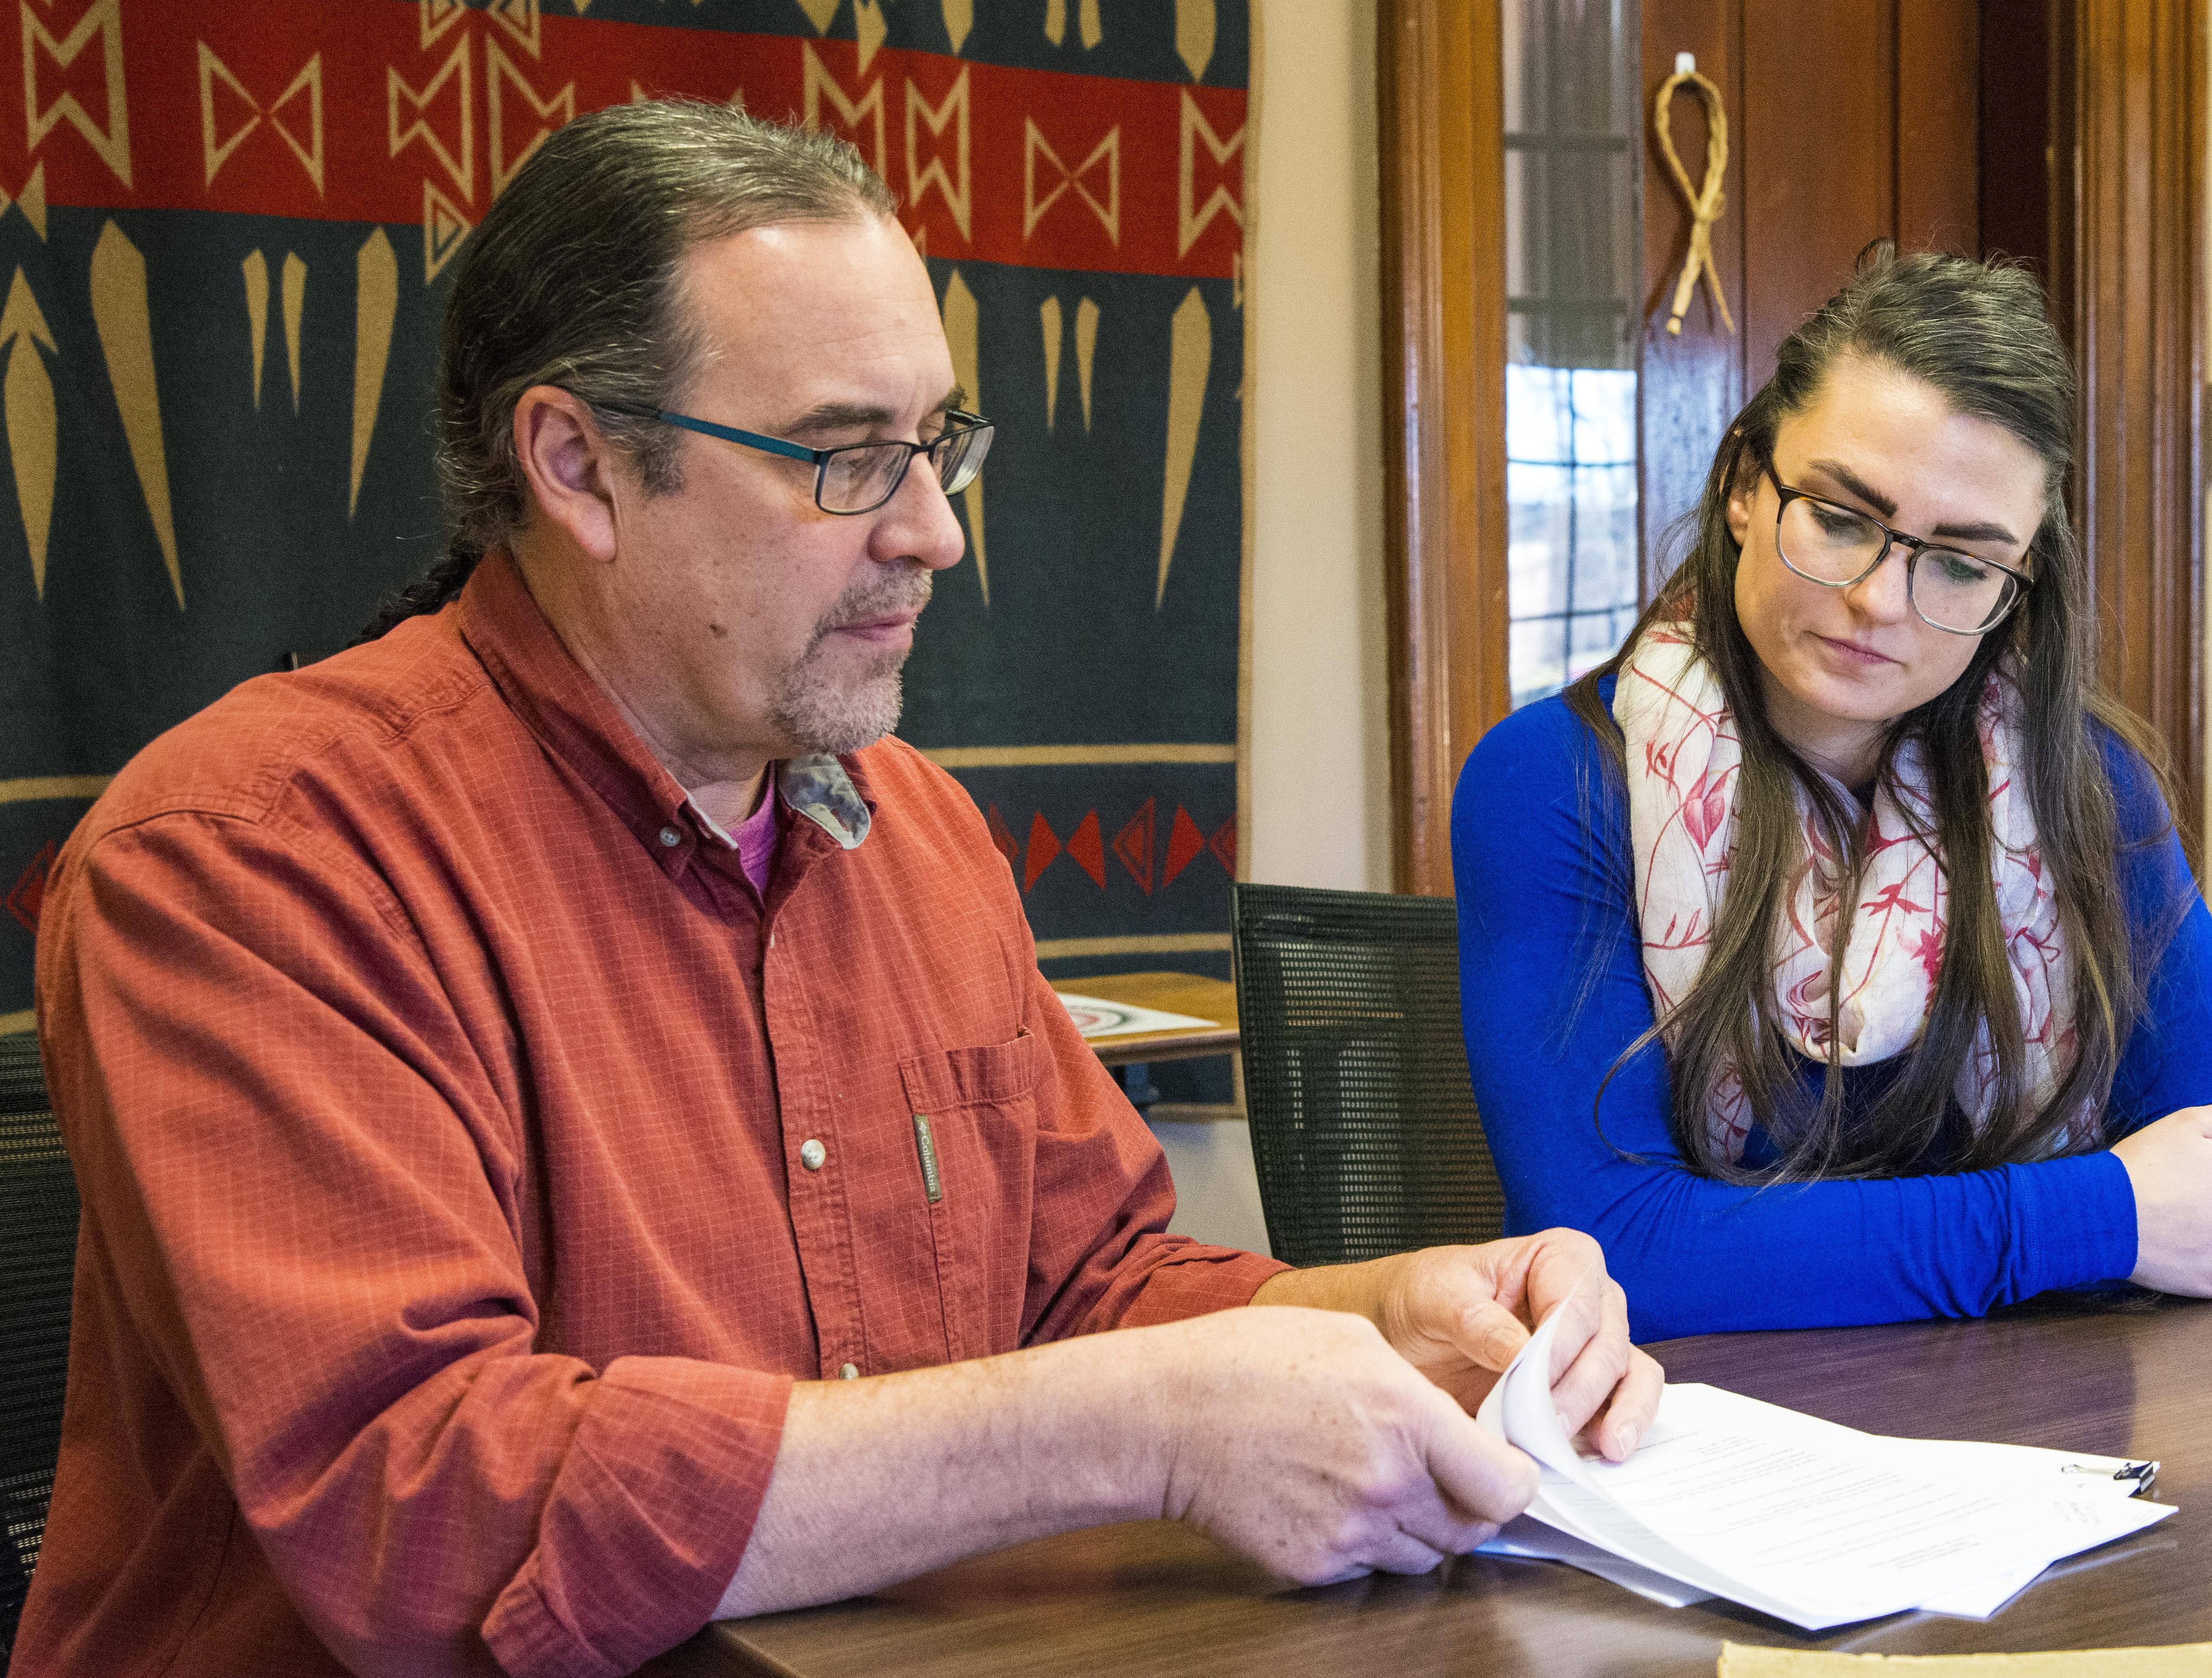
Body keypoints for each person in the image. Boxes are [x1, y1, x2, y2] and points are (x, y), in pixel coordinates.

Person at [16, 103, 1661, 1678]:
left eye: (936, 446)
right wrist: (1150, 1424)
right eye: (844, 460)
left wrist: (1384, 1317)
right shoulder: (255, 857)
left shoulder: (916, 834)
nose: (936, 536)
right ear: (578, 466)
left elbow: (1092, 1288)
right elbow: (430, 1514)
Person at [1453, 247, 2212, 1344]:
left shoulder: (2085, 781)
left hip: (2039, 1440)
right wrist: (2097, 1215)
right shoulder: (1553, 780)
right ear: (1742, 486)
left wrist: (1805, 1246)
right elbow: (1621, 1249)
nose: (1878, 599)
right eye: (1837, 516)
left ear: (2016, 593)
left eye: (1960, 563)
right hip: (1684, 1447)